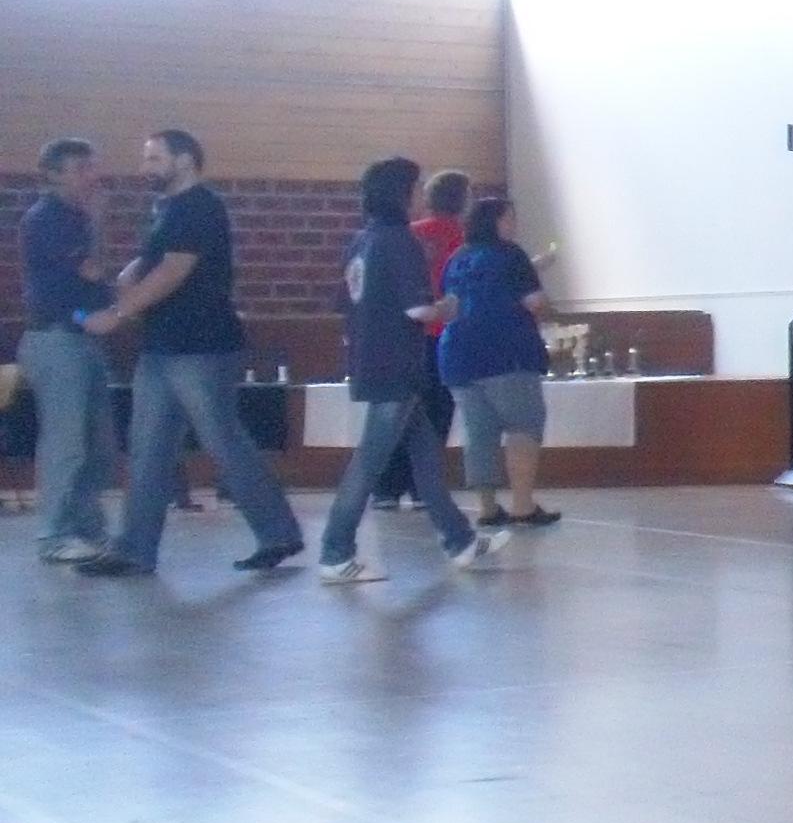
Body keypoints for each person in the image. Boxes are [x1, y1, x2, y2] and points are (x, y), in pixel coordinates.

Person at [73, 127, 305, 576]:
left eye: (154, 158)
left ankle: (278, 533)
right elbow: (157, 261)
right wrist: (130, 274)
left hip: (201, 346)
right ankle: (135, 549)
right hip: (163, 345)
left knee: (223, 441)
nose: (145, 167)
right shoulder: (168, 209)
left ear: (184, 160)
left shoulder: (200, 206)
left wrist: (118, 312)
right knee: (147, 448)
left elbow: (175, 270)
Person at [317, 159, 503, 583]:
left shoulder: (361, 241)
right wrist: (448, 308)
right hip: (396, 364)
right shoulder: (400, 241)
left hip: (373, 360)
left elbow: (348, 302)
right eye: (416, 188)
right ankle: (335, 552)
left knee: (425, 456)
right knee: (369, 461)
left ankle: (459, 540)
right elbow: (418, 309)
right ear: (400, 194)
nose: (421, 196)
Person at [18, 137, 114, 564]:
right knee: (67, 442)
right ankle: (54, 535)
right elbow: (81, 278)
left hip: (80, 338)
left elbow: (94, 277)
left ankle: (88, 529)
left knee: (98, 445)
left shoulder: (75, 219)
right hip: (57, 339)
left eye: (92, 166)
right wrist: (82, 317)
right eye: (80, 169)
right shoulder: (47, 219)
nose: (91, 176)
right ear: (53, 175)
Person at [439, 196, 560, 528]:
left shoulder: (457, 258)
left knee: (479, 432)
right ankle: (522, 505)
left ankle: (487, 508)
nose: (514, 224)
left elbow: (449, 305)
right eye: (509, 218)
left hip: (458, 356)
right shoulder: (510, 254)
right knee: (523, 425)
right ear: (494, 222)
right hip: (506, 353)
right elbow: (534, 302)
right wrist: (554, 312)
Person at [374, 168, 469, 511]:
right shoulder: (466, 240)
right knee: (437, 414)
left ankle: (386, 487)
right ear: (464, 200)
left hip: (406, 336)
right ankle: (422, 487)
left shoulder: (410, 234)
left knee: (402, 413)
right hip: (446, 334)